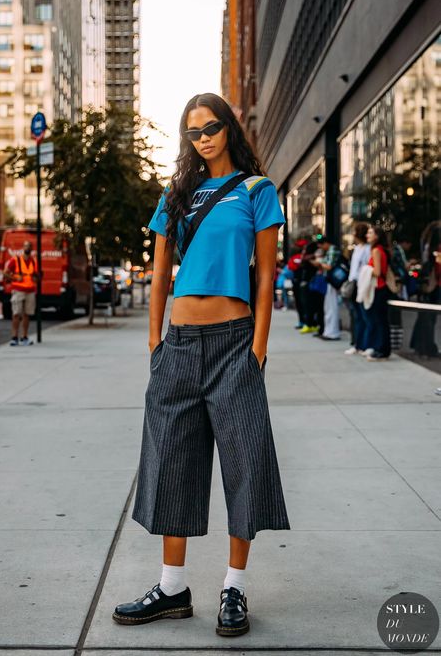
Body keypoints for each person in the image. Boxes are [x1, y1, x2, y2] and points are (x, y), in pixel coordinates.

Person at [112, 93, 291, 637]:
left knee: (245, 464)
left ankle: (233, 587)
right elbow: (160, 271)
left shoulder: (258, 192)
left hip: (236, 344)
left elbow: (265, 276)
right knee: (171, 462)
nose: (204, 138)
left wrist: (259, 347)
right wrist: (154, 344)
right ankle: (171, 588)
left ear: (229, 128)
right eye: (194, 132)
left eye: (212, 127)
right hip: (180, 345)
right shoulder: (177, 194)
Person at [4, 240, 38, 346]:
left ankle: (25, 337)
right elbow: (5, 273)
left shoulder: (33, 261)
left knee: (27, 314)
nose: (27, 248)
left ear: (31, 249)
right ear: (23, 247)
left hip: (30, 291)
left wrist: (35, 278)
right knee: (16, 314)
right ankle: (14, 337)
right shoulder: (15, 260)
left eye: (29, 246)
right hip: (18, 290)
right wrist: (15, 278)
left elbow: (36, 275)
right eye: (26, 246)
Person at [365, 226, 391, 360]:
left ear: (377, 236)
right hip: (381, 288)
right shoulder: (381, 250)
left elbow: (377, 272)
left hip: (378, 288)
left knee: (379, 321)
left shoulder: (376, 250)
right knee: (382, 321)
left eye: (370, 233)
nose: (367, 235)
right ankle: (383, 349)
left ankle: (381, 349)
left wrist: (366, 269)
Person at [344, 223, 371, 355]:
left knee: (362, 315)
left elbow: (366, 267)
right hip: (354, 283)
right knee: (355, 315)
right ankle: (357, 343)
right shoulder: (357, 248)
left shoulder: (367, 248)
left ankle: (363, 344)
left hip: (361, 284)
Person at [314, 236, 341, 340]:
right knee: (328, 307)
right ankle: (329, 331)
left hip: (333, 281)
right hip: (329, 281)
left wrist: (320, 262)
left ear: (326, 243)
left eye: (321, 245)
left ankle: (332, 332)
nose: (321, 247)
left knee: (331, 307)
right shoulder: (330, 250)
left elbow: (329, 266)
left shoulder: (333, 249)